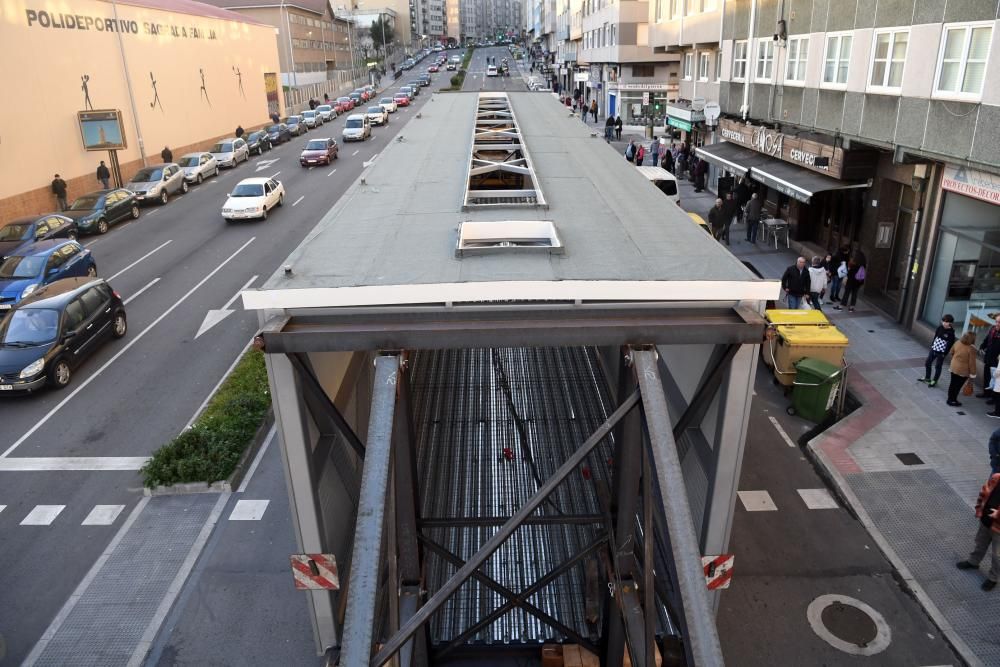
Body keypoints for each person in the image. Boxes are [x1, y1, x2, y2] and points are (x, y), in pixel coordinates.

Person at [955, 472, 1000, 591]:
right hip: (985, 521)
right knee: (980, 543)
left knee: (997, 556)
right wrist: (979, 509)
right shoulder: (996, 478)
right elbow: (983, 493)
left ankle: (993, 578)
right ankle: (973, 562)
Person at [921, 314, 957, 387]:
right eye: (943, 321)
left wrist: (944, 353)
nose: (944, 323)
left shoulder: (951, 333)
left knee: (938, 366)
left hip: (941, 353)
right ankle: (928, 378)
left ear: (950, 323)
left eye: (946, 322)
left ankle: (934, 380)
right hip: (934, 349)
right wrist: (932, 346)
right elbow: (935, 337)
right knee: (927, 363)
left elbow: (949, 345)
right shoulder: (939, 328)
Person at [947, 332, 978, 406]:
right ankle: (953, 400)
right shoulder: (971, 349)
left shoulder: (958, 342)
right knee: (957, 386)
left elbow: (951, 352)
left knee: (952, 383)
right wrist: (973, 373)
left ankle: (949, 399)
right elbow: (972, 363)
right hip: (963, 371)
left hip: (953, 367)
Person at [980, 316, 1000, 403]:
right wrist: (982, 346)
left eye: (999, 322)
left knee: (995, 379)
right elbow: (987, 339)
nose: (997, 324)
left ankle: (993, 398)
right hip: (988, 357)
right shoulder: (992, 329)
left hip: (996, 360)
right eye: (996, 321)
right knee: (987, 376)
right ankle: (986, 393)